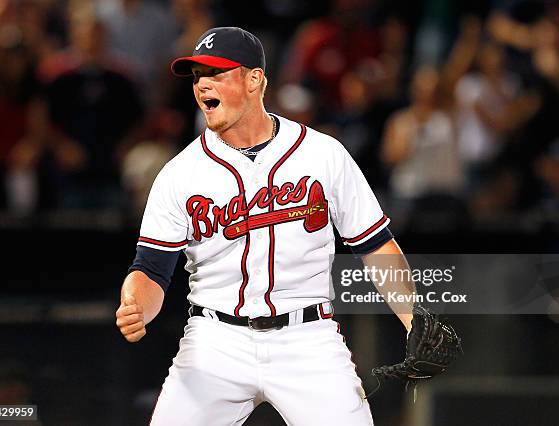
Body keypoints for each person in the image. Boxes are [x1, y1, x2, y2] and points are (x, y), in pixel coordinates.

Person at [116, 27, 417, 426]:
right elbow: (151, 269)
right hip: (215, 341)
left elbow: (375, 245)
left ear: (255, 79)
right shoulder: (179, 174)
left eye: (217, 73)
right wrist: (135, 302)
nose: (203, 83)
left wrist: (414, 318)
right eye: (196, 76)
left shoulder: (323, 154)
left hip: (307, 338)